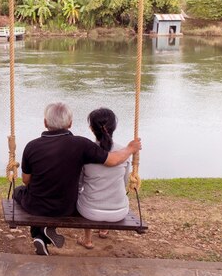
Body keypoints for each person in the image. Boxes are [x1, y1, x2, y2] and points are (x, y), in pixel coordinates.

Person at [14, 102, 141, 255]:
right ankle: (43, 234)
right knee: (52, 196)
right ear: (70, 123)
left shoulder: (31, 146)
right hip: (66, 206)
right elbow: (113, 160)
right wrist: (130, 149)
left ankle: (39, 235)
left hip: (36, 205)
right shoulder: (81, 144)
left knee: (19, 191)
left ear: (45, 122)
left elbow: (26, 180)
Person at [76, 108, 131, 249]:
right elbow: (125, 182)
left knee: (84, 194)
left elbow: (80, 184)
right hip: (119, 211)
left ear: (91, 128)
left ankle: (87, 240)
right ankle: (104, 229)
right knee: (112, 190)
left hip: (90, 211)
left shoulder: (86, 152)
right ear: (114, 127)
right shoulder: (124, 152)